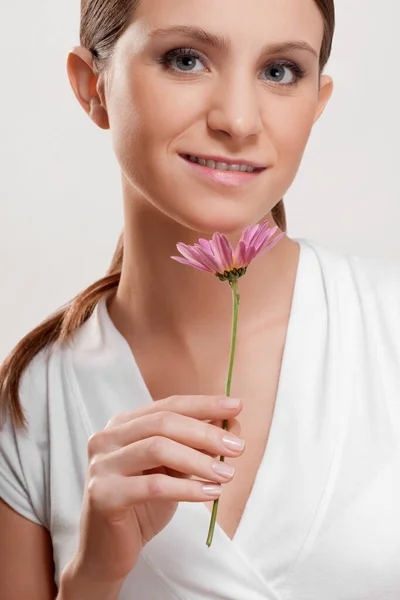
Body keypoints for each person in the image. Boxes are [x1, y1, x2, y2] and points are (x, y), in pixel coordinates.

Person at [2, 0, 400, 598]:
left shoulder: (387, 327)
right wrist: (92, 581)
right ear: (94, 87)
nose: (239, 120)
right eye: (186, 60)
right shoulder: (33, 407)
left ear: (317, 103)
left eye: (280, 71)